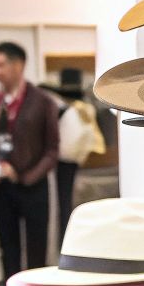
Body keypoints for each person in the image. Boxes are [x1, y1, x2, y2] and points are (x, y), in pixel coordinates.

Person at [0, 42, 59, 280]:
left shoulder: (42, 102)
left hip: (32, 187)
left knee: (36, 254)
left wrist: (24, 176)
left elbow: (52, 150)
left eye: (1, 65)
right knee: (8, 253)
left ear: (18, 65)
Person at [47, 69, 107, 236]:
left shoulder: (70, 112)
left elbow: (67, 147)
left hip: (66, 164)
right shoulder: (85, 111)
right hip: (80, 163)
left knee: (66, 207)